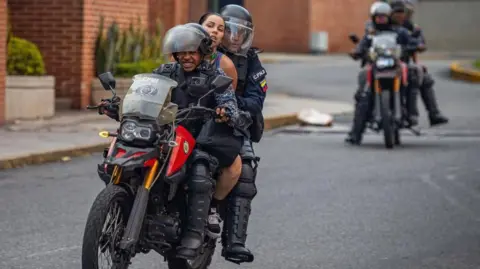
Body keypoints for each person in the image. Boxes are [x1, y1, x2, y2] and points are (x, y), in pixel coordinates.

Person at [98, 23, 251, 260]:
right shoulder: (166, 71)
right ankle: (118, 207)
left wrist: (225, 111)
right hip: (164, 132)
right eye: (182, 52)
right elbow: (143, 93)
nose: (186, 57)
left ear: (202, 51)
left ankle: (194, 233)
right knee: (124, 151)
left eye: (191, 52)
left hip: (200, 137)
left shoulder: (215, 76)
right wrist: (118, 105)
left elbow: (228, 101)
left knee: (200, 168)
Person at [216, 4, 267, 264]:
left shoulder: (252, 62)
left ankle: (234, 242)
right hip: (197, 119)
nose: (235, 36)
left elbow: (256, 100)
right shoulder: (206, 52)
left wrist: (232, 105)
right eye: (230, 30)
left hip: (235, 123)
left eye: (241, 32)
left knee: (245, 170)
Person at [345, 1, 420, 144]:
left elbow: (411, 42)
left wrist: (416, 45)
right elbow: (362, 45)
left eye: (383, 17)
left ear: (388, 17)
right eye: (378, 17)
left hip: (395, 64)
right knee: (363, 94)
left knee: (411, 81)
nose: (380, 20)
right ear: (373, 18)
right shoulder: (371, 33)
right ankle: (356, 133)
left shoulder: (399, 31)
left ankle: (411, 115)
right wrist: (357, 52)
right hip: (377, 65)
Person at [389, 0, 449, 126]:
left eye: (404, 12)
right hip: (383, 62)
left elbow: (420, 43)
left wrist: (419, 45)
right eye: (398, 12)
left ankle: (431, 113)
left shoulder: (412, 28)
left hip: (404, 62)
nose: (402, 15)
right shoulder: (382, 24)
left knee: (422, 76)